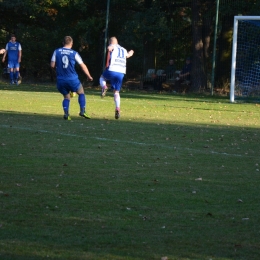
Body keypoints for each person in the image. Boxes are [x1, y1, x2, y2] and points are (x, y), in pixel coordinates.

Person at [50, 36, 93, 120]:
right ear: (71, 44)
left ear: (63, 43)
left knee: (66, 97)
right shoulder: (74, 53)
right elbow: (82, 66)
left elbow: (52, 65)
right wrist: (88, 76)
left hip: (61, 80)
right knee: (81, 92)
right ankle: (82, 111)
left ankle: (66, 114)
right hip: (72, 79)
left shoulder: (56, 51)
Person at [99, 36, 134, 119]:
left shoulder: (112, 46)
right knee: (116, 92)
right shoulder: (123, 49)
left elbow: (110, 47)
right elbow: (128, 55)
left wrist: (110, 48)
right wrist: (131, 52)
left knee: (102, 78)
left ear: (110, 42)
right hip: (121, 72)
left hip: (112, 69)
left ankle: (104, 87)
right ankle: (117, 108)